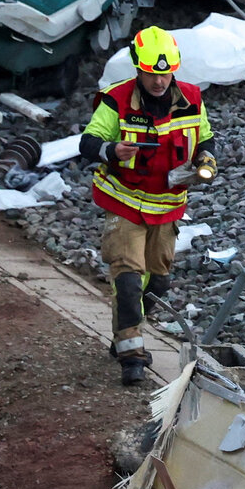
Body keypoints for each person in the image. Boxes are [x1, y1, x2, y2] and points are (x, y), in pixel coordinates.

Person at [78, 26, 216, 384]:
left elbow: (206, 140)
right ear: (138, 68)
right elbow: (88, 142)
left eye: (166, 73)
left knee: (158, 283)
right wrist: (112, 150)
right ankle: (132, 357)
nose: (159, 82)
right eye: (153, 75)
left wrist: (207, 161)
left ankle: (125, 333)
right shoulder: (116, 100)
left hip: (167, 206)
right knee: (127, 279)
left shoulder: (191, 98)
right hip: (125, 203)